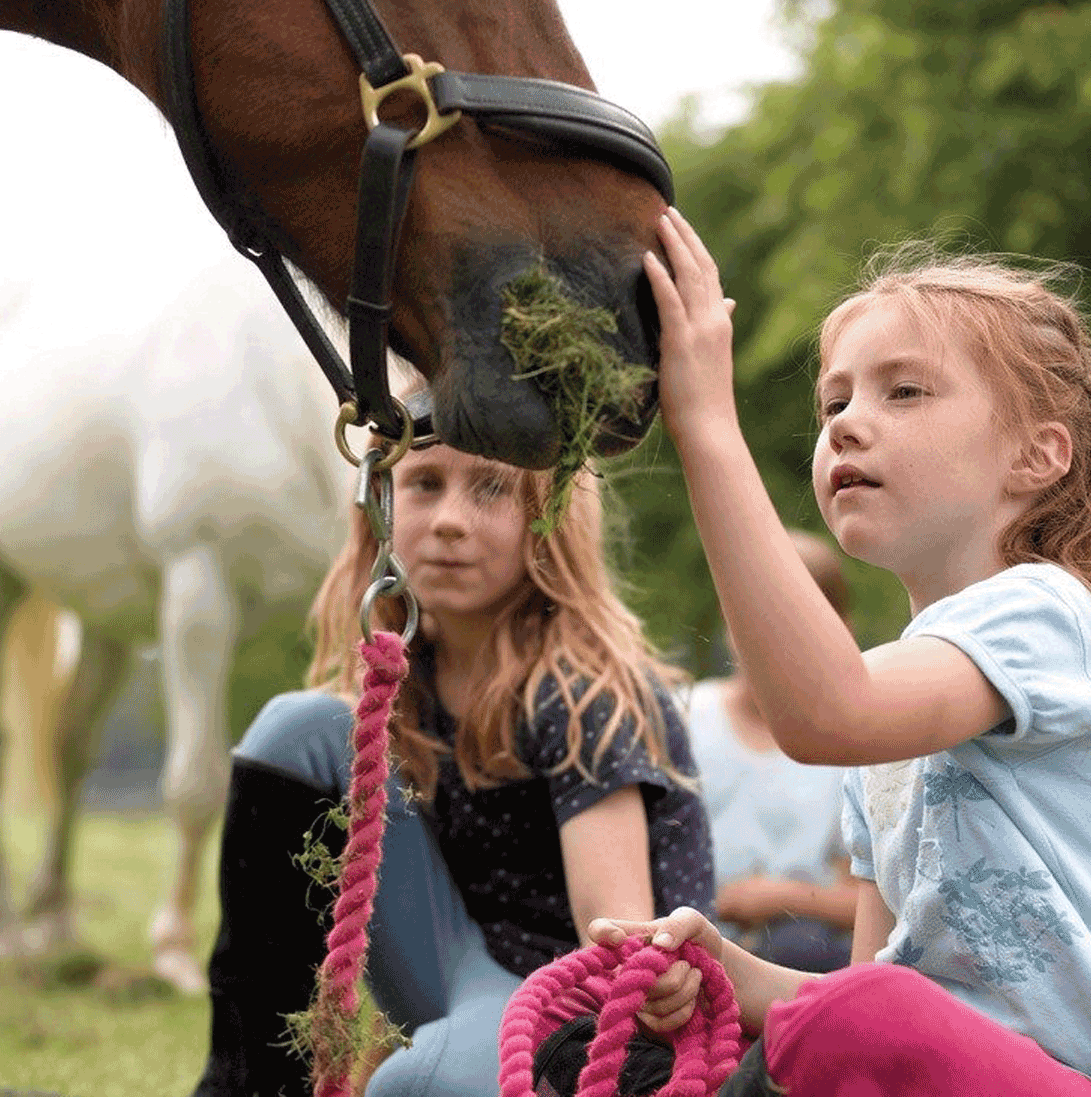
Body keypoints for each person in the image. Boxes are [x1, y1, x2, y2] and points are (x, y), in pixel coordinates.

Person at [588, 211, 1091, 1096]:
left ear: (1038, 455)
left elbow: (827, 712)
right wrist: (731, 975)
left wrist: (706, 423)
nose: (848, 425)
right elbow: (878, 989)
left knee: (850, 1025)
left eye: (904, 392)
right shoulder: (890, 724)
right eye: (836, 401)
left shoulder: (1050, 614)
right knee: (841, 1022)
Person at [190, 434, 713, 1097]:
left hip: (580, 1007)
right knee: (299, 728)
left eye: (491, 488)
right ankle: (248, 1085)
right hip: (461, 972)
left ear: (549, 516)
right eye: (425, 484)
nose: (448, 520)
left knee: (410, 1086)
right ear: (378, 507)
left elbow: (617, 946)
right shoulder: (407, 677)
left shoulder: (582, 689)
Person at [686, 529, 861, 975]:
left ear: (840, 630)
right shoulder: (684, 716)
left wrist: (782, 898)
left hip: (800, 951)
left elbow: (869, 901)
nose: (771, 639)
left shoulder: (854, 749)